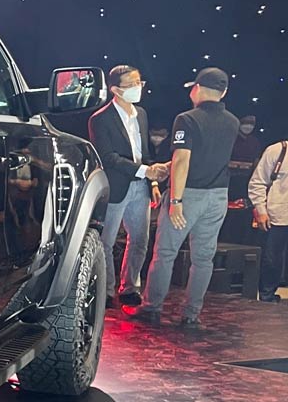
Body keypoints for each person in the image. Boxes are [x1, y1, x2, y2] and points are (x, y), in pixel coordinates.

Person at [134, 67, 241, 330]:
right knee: (203, 259)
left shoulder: (187, 119)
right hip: (218, 197)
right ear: (223, 92)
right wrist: (169, 166)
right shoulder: (233, 122)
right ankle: (192, 314)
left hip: (188, 195)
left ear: (197, 88)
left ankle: (151, 308)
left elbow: (184, 160)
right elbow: (208, 156)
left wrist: (176, 201)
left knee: (165, 253)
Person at [87, 65, 167, 308]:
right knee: (106, 241)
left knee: (140, 239)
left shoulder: (140, 114)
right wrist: (145, 171)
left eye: (139, 83)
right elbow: (108, 157)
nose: (138, 88)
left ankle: (130, 287)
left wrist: (152, 180)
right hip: (115, 186)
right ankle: (106, 289)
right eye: (131, 84)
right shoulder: (100, 119)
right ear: (115, 89)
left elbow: (144, 153)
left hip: (140, 186)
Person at [250, 133, 288, 303]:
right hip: (277, 214)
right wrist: (261, 210)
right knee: (272, 258)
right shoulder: (278, 150)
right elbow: (257, 182)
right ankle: (267, 296)